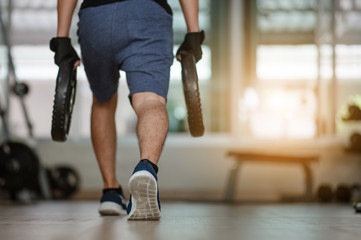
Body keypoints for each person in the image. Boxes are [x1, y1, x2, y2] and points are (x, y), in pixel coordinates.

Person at [50, 0, 204, 220]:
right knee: (150, 100)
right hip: (147, 12)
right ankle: (146, 167)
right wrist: (193, 32)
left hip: (96, 17)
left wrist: (62, 37)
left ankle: (110, 192)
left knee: (103, 101)